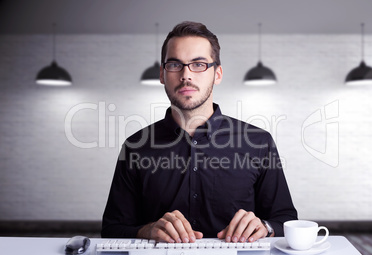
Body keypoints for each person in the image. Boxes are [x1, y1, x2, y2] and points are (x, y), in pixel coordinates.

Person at [101, 21, 297, 243]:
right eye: (175, 65)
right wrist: (147, 230)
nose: (186, 75)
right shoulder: (135, 146)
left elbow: (285, 220)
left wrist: (265, 226)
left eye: (199, 64)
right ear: (162, 75)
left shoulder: (258, 142)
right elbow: (112, 230)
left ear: (218, 74)